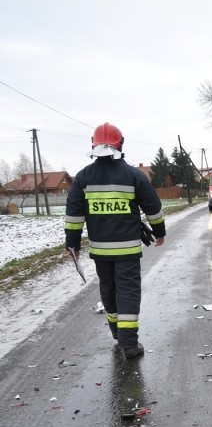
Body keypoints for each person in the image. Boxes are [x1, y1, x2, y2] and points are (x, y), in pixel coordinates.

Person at [64, 122, 166, 360]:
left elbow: (74, 215)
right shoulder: (133, 175)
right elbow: (153, 207)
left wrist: (73, 244)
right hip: (128, 250)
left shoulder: (83, 178)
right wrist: (159, 230)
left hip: (101, 251)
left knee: (108, 290)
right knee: (128, 292)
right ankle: (129, 344)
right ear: (120, 144)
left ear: (94, 144)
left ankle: (118, 336)